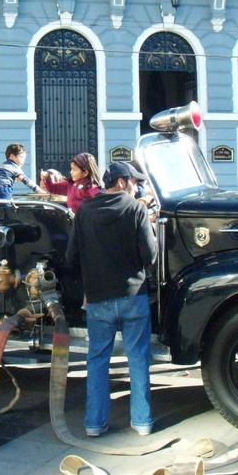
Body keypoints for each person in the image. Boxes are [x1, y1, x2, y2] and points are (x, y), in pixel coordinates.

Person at [66, 162, 158, 437]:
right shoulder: (136, 209)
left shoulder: (84, 212)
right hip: (133, 297)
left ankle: (94, 424)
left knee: (97, 360)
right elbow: (150, 256)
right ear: (121, 182)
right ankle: (142, 422)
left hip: (97, 298)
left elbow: (71, 257)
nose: (136, 186)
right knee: (138, 359)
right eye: (133, 181)